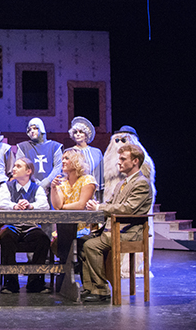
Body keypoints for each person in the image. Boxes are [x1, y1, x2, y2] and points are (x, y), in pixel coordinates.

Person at [80, 144, 153, 302]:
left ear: (135, 161)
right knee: (81, 242)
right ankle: (89, 287)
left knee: (91, 246)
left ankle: (101, 289)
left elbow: (128, 209)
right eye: (119, 159)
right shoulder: (121, 184)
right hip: (113, 229)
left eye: (123, 159)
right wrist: (95, 208)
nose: (118, 162)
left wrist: (100, 207)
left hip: (129, 233)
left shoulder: (142, 183)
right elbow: (111, 205)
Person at [103, 125, 156, 277]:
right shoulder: (109, 160)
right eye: (117, 140)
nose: (120, 143)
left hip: (134, 212)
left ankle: (134, 268)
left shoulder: (141, 172)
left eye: (124, 140)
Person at [0, 158, 51, 294]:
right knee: (6, 237)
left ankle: (35, 281)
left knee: (43, 239)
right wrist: (15, 206)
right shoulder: (7, 186)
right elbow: (2, 203)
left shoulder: (37, 188)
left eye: (18, 166)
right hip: (12, 225)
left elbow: (44, 205)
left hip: (30, 226)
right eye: (14, 165)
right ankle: (11, 282)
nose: (13, 169)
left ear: (28, 171)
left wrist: (30, 205)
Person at [51, 148, 97, 291]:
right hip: (66, 227)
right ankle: (65, 282)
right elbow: (57, 206)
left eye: (67, 158)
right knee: (61, 240)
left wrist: (63, 207)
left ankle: (71, 282)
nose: (63, 161)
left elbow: (81, 205)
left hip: (85, 227)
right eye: (63, 158)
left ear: (76, 161)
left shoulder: (88, 180)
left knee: (74, 241)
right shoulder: (62, 182)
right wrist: (53, 188)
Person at [16, 117, 63, 199]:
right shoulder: (23, 147)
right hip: (30, 188)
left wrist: (47, 182)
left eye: (35, 128)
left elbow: (58, 167)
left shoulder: (55, 147)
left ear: (41, 128)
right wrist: (36, 183)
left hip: (52, 188)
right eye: (29, 129)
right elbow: (20, 167)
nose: (32, 131)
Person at [68, 116, 104, 202]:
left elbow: (101, 172)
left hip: (94, 191)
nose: (78, 134)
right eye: (75, 132)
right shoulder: (70, 152)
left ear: (86, 134)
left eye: (81, 132)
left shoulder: (96, 152)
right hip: (76, 191)